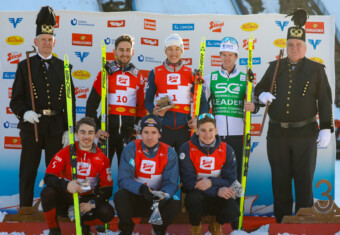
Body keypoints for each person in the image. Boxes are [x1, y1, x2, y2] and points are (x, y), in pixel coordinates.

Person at [254, 9, 333, 223]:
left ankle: (303, 223)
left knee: (304, 182)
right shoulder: (275, 67)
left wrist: (326, 126)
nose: (294, 48)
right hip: (277, 134)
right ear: (285, 46)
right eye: (290, 44)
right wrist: (261, 94)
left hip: (305, 134)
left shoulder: (316, 70)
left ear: (305, 47)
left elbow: (325, 99)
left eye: (298, 44)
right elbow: (257, 90)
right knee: (280, 182)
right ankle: (282, 223)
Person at [10, 6, 75, 208]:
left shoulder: (64, 67)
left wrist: (68, 128)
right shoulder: (24, 66)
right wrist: (24, 113)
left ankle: (58, 209)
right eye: (43, 40)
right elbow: (16, 100)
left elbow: (70, 102)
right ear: (36, 42)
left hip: (56, 127)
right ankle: (26, 209)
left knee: (57, 171)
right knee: (28, 170)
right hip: (33, 127)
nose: (46, 43)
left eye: (50, 40)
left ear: (54, 42)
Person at [40, 117, 115, 235]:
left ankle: (84, 225)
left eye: (90, 133)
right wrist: (66, 185)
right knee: (47, 192)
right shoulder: (66, 152)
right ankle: (54, 230)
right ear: (76, 134)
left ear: (95, 135)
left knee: (108, 213)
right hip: (66, 198)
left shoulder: (102, 158)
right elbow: (49, 177)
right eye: (82, 132)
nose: (86, 137)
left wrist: (92, 203)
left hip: (86, 200)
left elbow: (107, 188)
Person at [202, 36, 259, 183]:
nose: (227, 59)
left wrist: (254, 107)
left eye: (230, 55)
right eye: (224, 55)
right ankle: (219, 204)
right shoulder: (210, 78)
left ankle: (235, 205)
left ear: (236, 57)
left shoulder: (245, 79)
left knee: (237, 174)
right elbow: (201, 105)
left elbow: (255, 104)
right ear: (220, 56)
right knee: (216, 173)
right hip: (216, 135)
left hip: (239, 134)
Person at [86, 34, 146, 166]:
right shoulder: (105, 73)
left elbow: (142, 107)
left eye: (127, 50)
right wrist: (96, 129)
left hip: (128, 134)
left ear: (132, 52)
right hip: (107, 132)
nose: (124, 53)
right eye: (121, 49)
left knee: (128, 173)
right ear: (115, 52)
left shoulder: (138, 76)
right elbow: (91, 105)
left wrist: (137, 127)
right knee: (101, 172)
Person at [114, 114, 179, 235]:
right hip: (137, 196)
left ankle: (159, 230)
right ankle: (126, 229)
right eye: (146, 132)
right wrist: (142, 189)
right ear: (140, 133)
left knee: (174, 201)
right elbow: (123, 179)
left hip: (158, 201)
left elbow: (172, 183)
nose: (150, 136)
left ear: (159, 134)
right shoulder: (131, 148)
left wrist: (161, 194)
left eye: (154, 132)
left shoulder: (169, 152)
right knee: (120, 195)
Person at [145, 33, 209, 153]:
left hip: (185, 129)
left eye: (177, 49)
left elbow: (203, 102)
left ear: (182, 51)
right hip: (163, 128)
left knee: (185, 167)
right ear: (165, 51)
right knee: (162, 166)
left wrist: (198, 120)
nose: (173, 53)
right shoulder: (155, 72)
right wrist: (154, 111)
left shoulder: (191, 73)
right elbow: (148, 100)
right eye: (170, 49)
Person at [178, 113, 240, 234]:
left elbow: (230, 179)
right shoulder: (186, 148)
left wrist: (212, 182)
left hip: (219, 192)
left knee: (233, 212)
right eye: (203, 130)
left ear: (216, 130)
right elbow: (188, 182)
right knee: (193, 199)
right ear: (197, 131)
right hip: (197, 193)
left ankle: (216, 223)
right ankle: (196, 226)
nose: (207, 135)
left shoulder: (227, 149)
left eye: (211, 130)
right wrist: (215, 190)